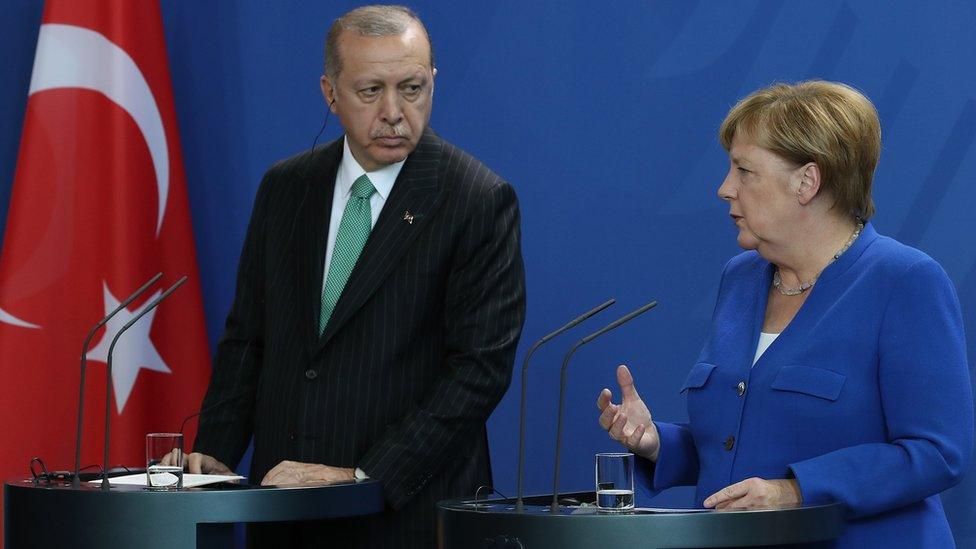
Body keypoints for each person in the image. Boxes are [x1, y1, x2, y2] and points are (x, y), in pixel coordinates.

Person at [186, 5, 525, 547]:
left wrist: (363, 478)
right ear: (330, 93)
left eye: (412, 88)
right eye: (371, 91)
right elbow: (248, 340)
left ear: (433, 83)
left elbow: (477, 372)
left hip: (409, 518)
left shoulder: (476, 199)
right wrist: (214, 456)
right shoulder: (285, 188)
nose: (394, 111)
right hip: (287, 512)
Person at [597, 81, 972, 547]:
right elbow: (736, 444)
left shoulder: (905, 281)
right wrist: (656, 442)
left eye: (744, 170)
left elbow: (937, 453)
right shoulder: (740, 279)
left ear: (806, 182)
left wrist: (795, 490)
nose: (724, 189)